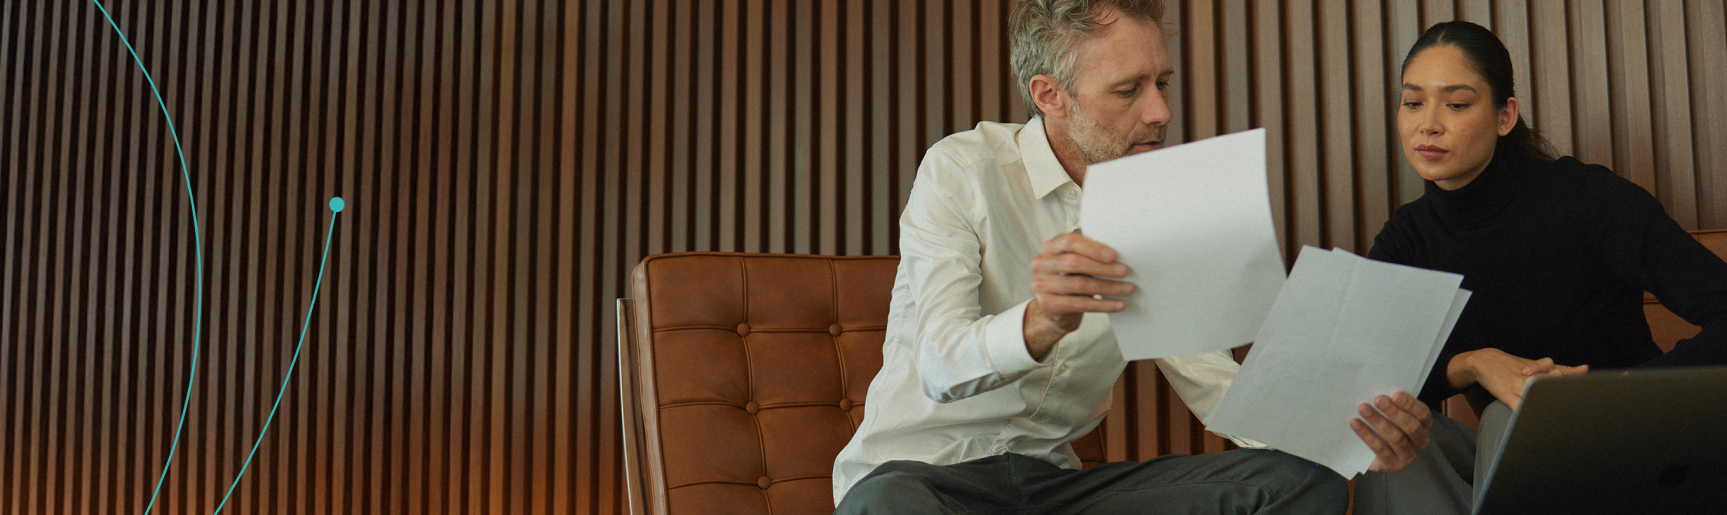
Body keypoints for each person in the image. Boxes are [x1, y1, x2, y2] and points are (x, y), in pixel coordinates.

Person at [831, 1, 1434, 513]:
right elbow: (940, 365)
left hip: (1057, 489)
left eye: (1162, 83)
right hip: (927, 479)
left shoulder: (1162, 203)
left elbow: (1215, 384)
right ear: (1050, 95)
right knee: (887, 505)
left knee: (1299, 485)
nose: (1161, 113)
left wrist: (1351, 437)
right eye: (1129, 90)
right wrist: (1042, 320)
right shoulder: (963, 169)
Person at [1355, 20, 1727, 514]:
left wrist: (1623, 392)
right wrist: (1474, 363)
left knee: (1511, 418)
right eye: (1413, 102)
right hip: (1513, 465)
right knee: (1386, 434)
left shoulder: (1588, 199)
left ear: (1505, 116)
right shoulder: (1407, 239)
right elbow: (1364, 382)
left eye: (1457, 104)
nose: (1429, 124)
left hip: (1631, 444)